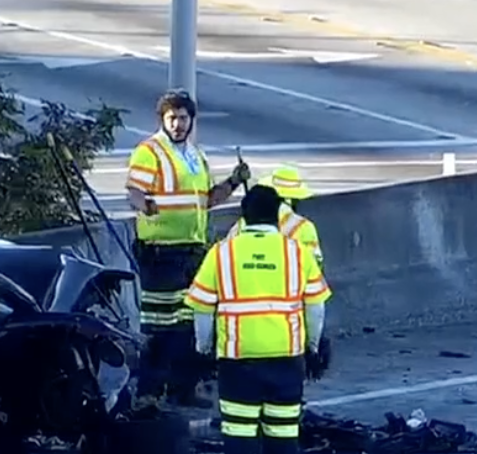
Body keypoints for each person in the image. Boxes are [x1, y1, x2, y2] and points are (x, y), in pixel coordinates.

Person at [125, 89, 253, 407]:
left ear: (191, 120)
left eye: (183, 118)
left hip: (192, 251)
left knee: (189, 324)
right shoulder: (149, 151)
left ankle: (183, 389)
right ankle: (149, 393)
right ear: (162, 120)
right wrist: (145, 206)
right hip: (160, 253)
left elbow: (207, 200)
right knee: (158, 325)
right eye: (172, 118)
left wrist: (234, 182)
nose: (178, 124)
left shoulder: (196, 156)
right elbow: (134, 191)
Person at [184, 185, 332, 454]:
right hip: (287, 360)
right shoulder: (298, 252)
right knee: (283, 436)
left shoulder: (222, 252)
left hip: (237, 361)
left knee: (240, 435)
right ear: (277, 215)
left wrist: (202, 349)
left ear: (244, 215)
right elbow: (315, 306)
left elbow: (202, 309)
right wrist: (312, 346)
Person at [226, 166, 323, 264]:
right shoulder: (303, 227)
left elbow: (227, 253)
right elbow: (315, 264)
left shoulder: (242, 223)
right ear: (296, 199)